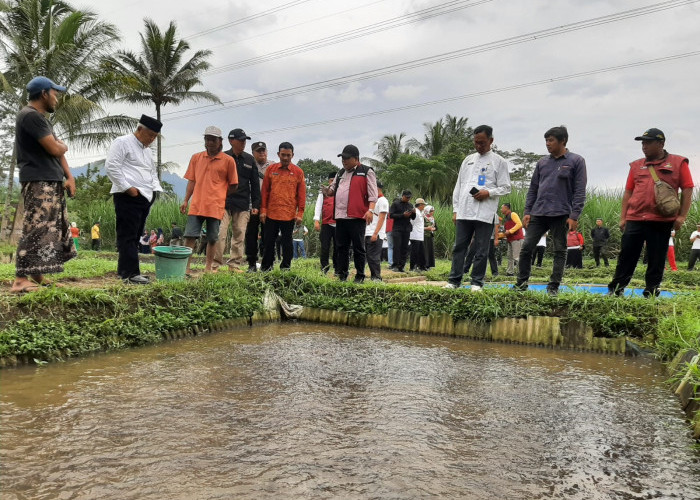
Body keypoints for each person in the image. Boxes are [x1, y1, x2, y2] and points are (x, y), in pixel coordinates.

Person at [608, 128, 693, 296]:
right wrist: (623, 217)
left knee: (656, 257)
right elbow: (628, 192)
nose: (644, 146)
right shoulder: (636, 165)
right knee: (627, 256)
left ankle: (652, 291)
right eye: (642, 143)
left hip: (661, 220)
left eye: (648, 142)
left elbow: (688, 189)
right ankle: (616, 290)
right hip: (635, 218)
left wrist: (682, 216)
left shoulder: (678, 163)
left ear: (661, 144)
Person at [11, 76, 77, 293]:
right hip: (39, 181)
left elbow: (58, 153)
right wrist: (62, 146)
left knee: (48, 228)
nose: (56, 98)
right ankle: (20, 280)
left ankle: (36, 274)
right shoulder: (30, 116)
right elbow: (56, 150)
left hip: (50, 179)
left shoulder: (41, 119)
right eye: (55, 93)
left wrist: (70, 176)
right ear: (44, 94)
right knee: (36, 227)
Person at [514, 125, 587, 296]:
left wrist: (574, 215)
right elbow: (533, 188)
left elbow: (580, 191)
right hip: (538, 213)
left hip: (561, 213)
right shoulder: (542, 162)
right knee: (526, 248)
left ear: (563, 141)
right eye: (546, 140)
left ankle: (553, 286)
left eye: (551, 140)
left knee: (560, 250)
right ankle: (521, 283)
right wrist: (527, 211)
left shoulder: (576, 161)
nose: (547, 143)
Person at [444, 125, 511, 290]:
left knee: (482, 249)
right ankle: (454, 280)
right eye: (476, 143)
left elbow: (505, 187)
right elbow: (459, 186)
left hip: (484, 213)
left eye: (482, 143)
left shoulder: (499, 161)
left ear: (491, 140)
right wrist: (455, 209)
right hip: (464, 212)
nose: (479, 146)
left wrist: (488, 192)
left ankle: (476, 282)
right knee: (459, 247)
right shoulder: (468, 160)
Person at [105, 115, 163, 283]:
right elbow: (111, 167)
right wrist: (128, 189)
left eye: (155, 137)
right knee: (127, 235)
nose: (151, 139)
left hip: (145, 196)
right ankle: (130, 274)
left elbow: (151, 172)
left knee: (135, 235)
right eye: (150, 135)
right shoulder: (122, 142)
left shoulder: (147, 151)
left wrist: (154, 191)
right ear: (139, 129)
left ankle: (127, 271)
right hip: (128, 195)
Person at [180, 126, 239, 274]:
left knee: (212, 238)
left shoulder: (228, 161)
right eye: (207, 139)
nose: (210, 142)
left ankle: (208, 268)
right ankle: (185, 268)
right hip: (197, 204)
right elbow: (192, 181)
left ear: (220, 141)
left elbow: (234, 185)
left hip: (215, 206)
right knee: (190, 236)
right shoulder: (196, 158)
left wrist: (221, 195)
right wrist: (186, 200)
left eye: (213, 139)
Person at [321, 145, 378, 283]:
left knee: (358, 247)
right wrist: (326, 191)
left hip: (357, 216)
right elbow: (332, 190)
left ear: (356, 159)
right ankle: (342, 274)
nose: (344, 161)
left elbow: (373, 194)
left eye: (347, 158)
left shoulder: (366, 171)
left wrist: (370, 210)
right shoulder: (340, 173)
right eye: (342, 158)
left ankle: (360, 275)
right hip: (340, 216)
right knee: (341, 247)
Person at [213, 128, 260, 272]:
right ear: (231, 141)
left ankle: (234, 265)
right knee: (220, 234)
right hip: (223, 202)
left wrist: (256, 204)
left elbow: (255, 184)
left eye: (245, 140)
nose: (243, 143)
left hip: (243, 203)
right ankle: (214, 265)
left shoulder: (249, 159)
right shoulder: (223, 157)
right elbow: (216, 181)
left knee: (239, 234)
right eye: (240, 140)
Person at [260, 142, 305, 271]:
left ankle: (285, 268)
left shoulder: (298, 172)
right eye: (283, 155)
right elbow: (265, 191)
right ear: (278, 154)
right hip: (271, 213)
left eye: (288, 155)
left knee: (287, 243)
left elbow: (301, 195)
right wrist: (263, 210)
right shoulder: (271, 169)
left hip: (289, 214)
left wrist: (300, 213)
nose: (285, 158)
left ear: (293, 155)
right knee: (268, 242)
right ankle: (266, 267)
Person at [246, 141, 272, 272]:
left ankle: (267, 264)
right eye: (258, 151)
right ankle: (251, 263)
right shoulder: (248, 165)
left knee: (268, 237)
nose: (262, 153)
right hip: (252, 206)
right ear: (253, 153)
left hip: (269, 208)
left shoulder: (274, 166)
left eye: (264, 150)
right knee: (251, 236)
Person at [313, 171, 339, 275]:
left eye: (335, 181)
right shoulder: (323, 192)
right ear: (329, 181)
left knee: (338, 247)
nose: (333, 183)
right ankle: (324, 268)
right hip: (326, 223)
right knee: (325, 247)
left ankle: (338, 269)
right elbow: (318, 205)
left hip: (339, 224)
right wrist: (316, 220)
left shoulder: (341, 191)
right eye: (331, 181)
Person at [365, 181, 389, 281]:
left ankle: (376, 277)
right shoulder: (373, 201)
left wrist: (375, 233)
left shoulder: (382, 201)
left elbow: (382, 218)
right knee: (369, 256)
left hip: (376, 233)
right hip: (368, 231)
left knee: (374, 257)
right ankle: (373, 276)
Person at [389, 190, 415, 273]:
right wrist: (402, 215)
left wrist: (414, 213)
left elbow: (413, 218)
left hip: (406, 228)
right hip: (397, 228)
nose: (408, 199)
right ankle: (395, 265)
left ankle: (402, 265)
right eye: (406, 197)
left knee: (405, 247)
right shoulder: (396, 204)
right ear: (402, 196)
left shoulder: (410, 205)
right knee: (397, 246)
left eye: (409, 198)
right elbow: (391, 215)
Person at [500, 203, 523, 276]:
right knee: (510, 256)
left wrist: (510, 231)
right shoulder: (506, 218)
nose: (501, 209)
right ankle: (510, 272)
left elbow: (519, 224)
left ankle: (521, 273)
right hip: (510, 239)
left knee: (517, 257)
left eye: (502, 208)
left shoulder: (513, 214)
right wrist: (498, 236)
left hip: (517, 239)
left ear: (506, 208)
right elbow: (506, 232)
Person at [409, 198, 427, 271]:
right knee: (414, 252)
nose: (424, 206)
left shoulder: (420, 212)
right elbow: (411, 222)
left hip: (420, 235)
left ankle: (422, 266)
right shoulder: (415, 212)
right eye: (423, 205)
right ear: (420, 205)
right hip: (415, 235)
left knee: (421, 252)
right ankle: (413, 267)